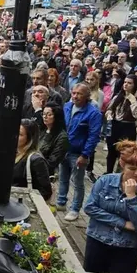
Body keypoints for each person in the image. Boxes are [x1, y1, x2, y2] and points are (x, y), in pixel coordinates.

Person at [83, 141, 137, 273]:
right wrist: (122, 223)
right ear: (122, 164)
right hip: (98, 239)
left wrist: (131, 197)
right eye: (132, 168)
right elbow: (89, 207)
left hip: (126, 247)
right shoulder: (105, 181)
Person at [57, 83, 102, 221]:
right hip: (63, 150)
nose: (75, 96)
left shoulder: (93, 113)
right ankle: (61, 201)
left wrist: (85, 154)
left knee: (77, 182)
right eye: (74, 93)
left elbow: (93, 136)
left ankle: (75, 208)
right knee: (62, 177)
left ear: (87, 96)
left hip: (78, 152)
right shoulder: (66, 107)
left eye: (79, 93)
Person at [104, 74, 137, 174]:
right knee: (111, 151)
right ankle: (108, 172)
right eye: (125, 82)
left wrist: (132, 100)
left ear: (135, 85)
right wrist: (109, 115)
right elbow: (109, 109)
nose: (126, 85)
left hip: (128, 127)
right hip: (114, 125)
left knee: (124, 153)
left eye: (129, 83)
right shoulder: (118, 96)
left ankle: (120, 173)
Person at [12, 119, 53, 202]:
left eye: (20, 134)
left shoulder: (36, 160)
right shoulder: (12, 153)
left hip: (24, 206)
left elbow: (46, 192)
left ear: (29, 138)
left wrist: (27, 200)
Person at [39, 104, 69, 175]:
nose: (45, 117)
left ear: (57, 116)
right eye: (43, 114)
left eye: (49, 114)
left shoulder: (62, 137)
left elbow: (53, 161)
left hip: (44, 172)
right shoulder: (41, 130)